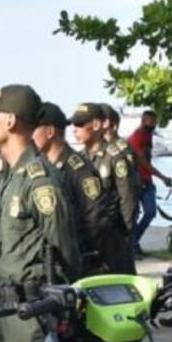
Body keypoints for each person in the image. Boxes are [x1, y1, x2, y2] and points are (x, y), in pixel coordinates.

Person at [0, 85, 80, 342]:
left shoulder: (39, 180)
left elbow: (66, 249)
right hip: (4, 305)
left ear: (10, 121)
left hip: (32, 312)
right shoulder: (15, 175)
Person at [32, 102, 109, 273]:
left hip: (80, 259)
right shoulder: (41, 166)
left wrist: (87, 257)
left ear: (50, 131)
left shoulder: (78, 169)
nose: (30, 135)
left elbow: (96, 218)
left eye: (34, 129)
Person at [71, 103, 133, 274]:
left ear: (97, 125)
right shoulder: (78, 159)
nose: (75, 129)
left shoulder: (114, 157)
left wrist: (125, 235)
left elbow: (128, 198)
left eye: (80, 124)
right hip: (88, 237)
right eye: (74, 125)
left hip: (113, 236)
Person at [126, 108, 172, 253]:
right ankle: (132, 244)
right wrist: (163, 177)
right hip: (136, 182)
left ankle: (135, 240)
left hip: (147, 181)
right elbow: (143, 162)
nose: (154, 125)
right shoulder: (136, 138)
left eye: (155, 122)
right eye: (152, 122)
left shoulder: (148, 135)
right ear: (144, 121)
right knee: (133, 216)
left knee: (151, 212)